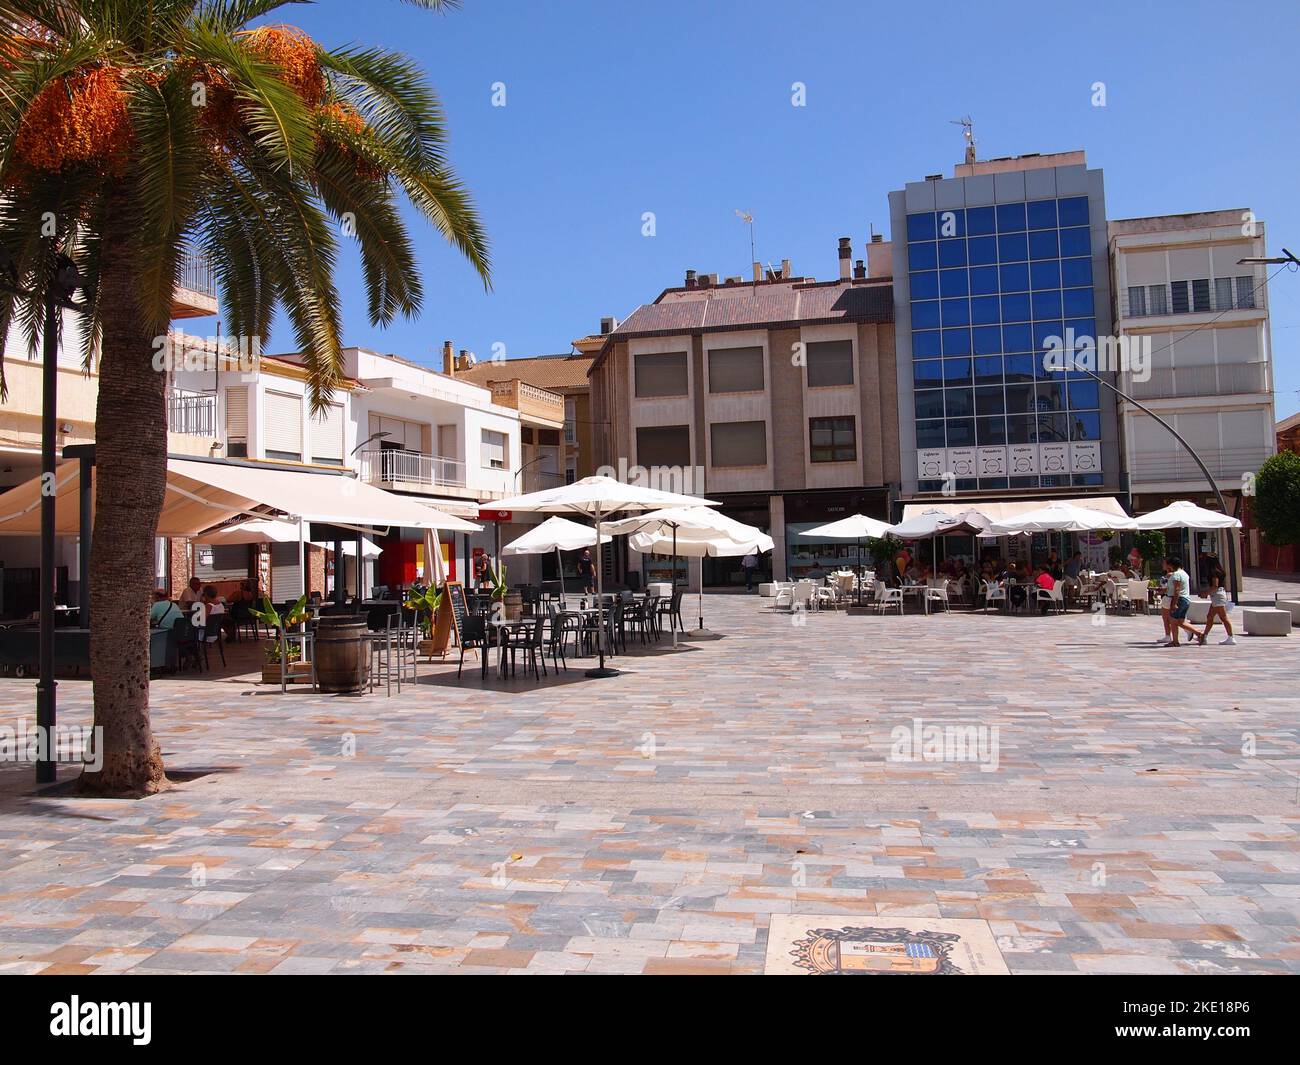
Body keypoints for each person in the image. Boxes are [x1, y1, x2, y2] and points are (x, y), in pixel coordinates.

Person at [1161, 555, 1199, 647]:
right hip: (1186, 599)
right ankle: (1199, 634)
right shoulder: (1184, 573)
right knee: (1180, 621)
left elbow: (1177, 589)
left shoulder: (1176, 575)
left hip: (1180, 599)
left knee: (1173, 620)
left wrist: (1174, 604)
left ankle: (1175, 641)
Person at [1198, 567, 1236, 646]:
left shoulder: (1214, 572)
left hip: (1217, 596)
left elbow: (1215, 586)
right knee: (1210, 616)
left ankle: (1231, 637)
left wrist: (1205, 593)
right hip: (1217, 596)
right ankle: (1204, 636)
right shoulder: (1220, 571)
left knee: (1223, 617)